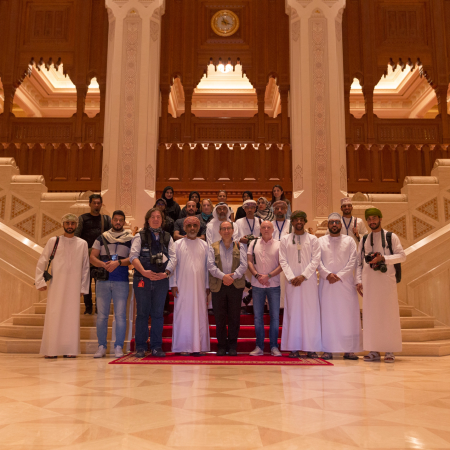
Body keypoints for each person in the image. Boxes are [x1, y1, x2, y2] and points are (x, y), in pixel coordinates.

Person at [35, 214, 90, 358]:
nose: (70, 226)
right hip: (56, 285)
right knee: (54, 314)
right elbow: (42, 261)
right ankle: (51, 350)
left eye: (72, 223)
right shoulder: (53, 241)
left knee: (71, 316)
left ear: (76, 225)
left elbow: (85, 267)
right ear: (63, 224)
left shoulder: (82, 243)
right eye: (67, 223)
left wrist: (83, 287)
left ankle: (69, 350)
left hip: (74, 286)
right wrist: (40, 281)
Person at [356, 208, 406, 363]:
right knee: (371, 317)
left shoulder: (391, 237)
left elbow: (402, 256)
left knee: (388, 316)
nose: (372, 221)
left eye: (374, 218)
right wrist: (358, 280)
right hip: (369, 284)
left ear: (380, 219)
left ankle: (389, 350)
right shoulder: (364, 239)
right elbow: (359, 262)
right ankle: (373, 350)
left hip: (386, 284)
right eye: (369, 219)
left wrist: (383, 258)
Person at [130, 208, 176, 358]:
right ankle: (141, 347)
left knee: (157, 314)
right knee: (142, 314)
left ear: (162, 220)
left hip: (161, 280)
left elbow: (173, 257)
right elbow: (133, 257)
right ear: (148, 220)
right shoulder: (139, 236)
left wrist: (166, 273)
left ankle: (156, 346)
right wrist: (144, 272)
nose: (156, 219)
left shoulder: (168, 237)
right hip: (142, 279)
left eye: (158, 217)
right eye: (153, 217)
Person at [318, 213, 362, 360]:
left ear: (341, 225)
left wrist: (340, 275)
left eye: (337, 222)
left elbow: (353, 260)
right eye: (331, 222)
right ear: (328, 225)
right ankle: (327, 349)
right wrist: (327, 274)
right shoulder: (320, 241)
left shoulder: (349, 241)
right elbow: (317, 260)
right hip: (327, 284)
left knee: (347, 317)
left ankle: (349, 350)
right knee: (327, 317)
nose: (334, 225)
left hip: (345, 285)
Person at [90, 210, 133, 359]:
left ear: (124, 222)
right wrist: (103, 264)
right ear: (112, 221)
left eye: (121, 220)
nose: (118, 222)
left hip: (121, 281)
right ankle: (101, 346)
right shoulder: (102, 237)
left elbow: (133, 258)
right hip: (103, 281)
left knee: (120, 316)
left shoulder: (130, 239)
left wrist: (118, 263)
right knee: (102, 316)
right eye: (116, 219)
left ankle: (118, 347)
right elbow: (92, 257)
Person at [279, 211, 322, 358]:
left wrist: (303, 276)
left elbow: (316, 259)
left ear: (305, 221)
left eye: (301, 220)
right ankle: (294, 347)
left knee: (310, 313)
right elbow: (282, 260)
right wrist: (292, 277)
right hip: (292, 282)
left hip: (308, 281)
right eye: (296, 220)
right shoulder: (285, 239)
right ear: (292, 222)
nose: (298, 222)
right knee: (293, 313)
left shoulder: (313, 239)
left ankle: (311, 348)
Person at [170, 216, 210, 355]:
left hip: (200, 287)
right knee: (183, 315)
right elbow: (172, 266)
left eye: (195, 226)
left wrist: (207, 285)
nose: (192, 228)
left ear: (199, 228)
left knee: (200, 314)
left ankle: (199, 346)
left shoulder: (204, 245)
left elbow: (207, 267)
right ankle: (183, 347)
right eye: (189, 226)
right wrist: (173, 284)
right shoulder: (177, 244)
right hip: (182, 287)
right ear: (184, 228)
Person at [208, 221, 248, 356]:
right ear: (219, 232)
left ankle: (232, 346)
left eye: (228, 228)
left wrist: (233, 277)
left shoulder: (240, 246)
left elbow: (244, 265)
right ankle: (221, 346)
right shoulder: (212, 247)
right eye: (223, 229)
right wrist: (223, 277)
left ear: (232, 230)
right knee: (219, 318)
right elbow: (210, 265)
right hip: (218, 286)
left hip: (235, 286)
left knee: (234, 318)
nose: (226, 231)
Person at [247, 221, 283, 356]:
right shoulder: (253, 243)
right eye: (263, 227)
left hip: (274, 285)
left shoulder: (279, 244)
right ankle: (259, 347)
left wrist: (268, 276)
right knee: (258, 317)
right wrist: (257, 276)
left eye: (269, 227)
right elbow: (249, 261)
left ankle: (274, 347)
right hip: (257, 285)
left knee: (274, 317)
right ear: (260, 229)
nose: (266, 229)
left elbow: (282, 264)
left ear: (273, 230)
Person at [74, 194, 112, 315]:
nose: (96, 205)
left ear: (101, 204)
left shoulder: (106, 219)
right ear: (89, 204)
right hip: (85, 256)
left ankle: (98, 307)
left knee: (99, 283)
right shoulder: (82, 218)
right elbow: (76, 237)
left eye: (98, 203)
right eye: (94, 203)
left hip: (100, 257)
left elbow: (111, 237)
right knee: (86, 283)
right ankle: (88, 307)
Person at [271, 200, 290, 310]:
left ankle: (284, 307)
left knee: (285, 283)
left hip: (287, 258)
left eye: (282, 208)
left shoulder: (291, 224)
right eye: (277, 209)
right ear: (273, 211)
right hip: (272, 258)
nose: (279, 210)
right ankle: (273, 308)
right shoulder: (269, 224)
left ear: (286, 210)